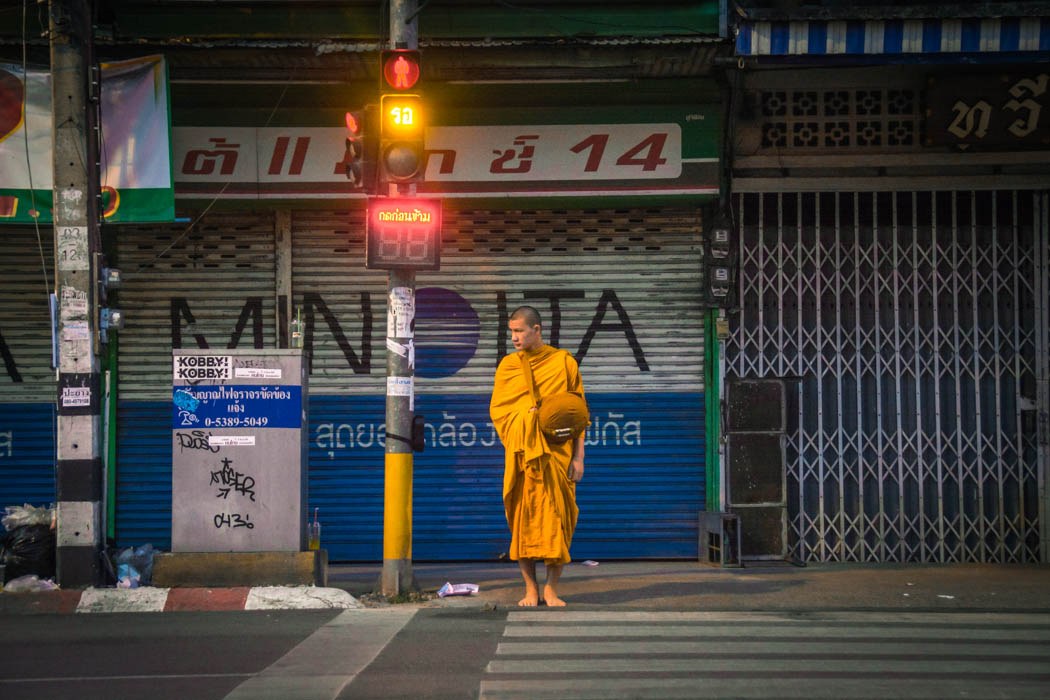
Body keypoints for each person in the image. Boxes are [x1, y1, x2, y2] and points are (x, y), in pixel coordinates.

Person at [490, 305, 586, 606]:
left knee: (558, 519)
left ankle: (551, 589)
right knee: (523, 523)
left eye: (519, 331)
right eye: (512, 332)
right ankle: (530, 589)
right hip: (523, 458)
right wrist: (529, 417)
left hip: (557, 456)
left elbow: (578, 413)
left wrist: (579, 457)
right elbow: (499, 412)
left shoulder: (563, 362)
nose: (515, 338)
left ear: (537, 329)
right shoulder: (508, 366)